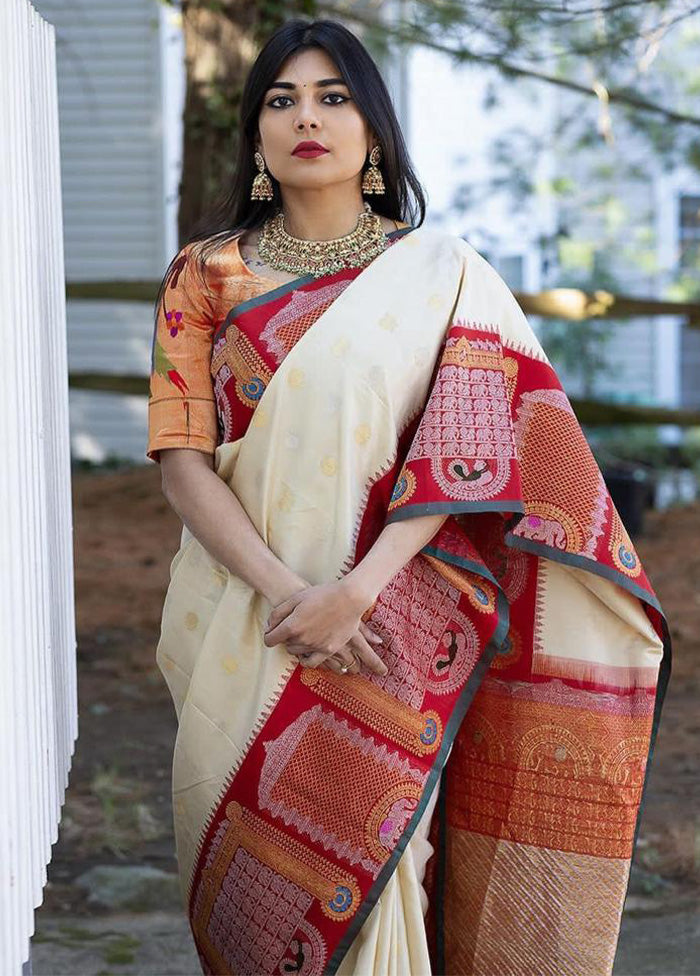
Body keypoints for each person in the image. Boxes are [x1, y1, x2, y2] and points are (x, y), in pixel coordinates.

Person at [146, 17, 670, 976]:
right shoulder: (204, 275)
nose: (308, 118)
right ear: (257, 135)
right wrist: (289, 594)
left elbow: (466, 457)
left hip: (392, 616)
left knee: (384, 871)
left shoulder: (443, 275)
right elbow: (184, 460)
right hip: (241, 616)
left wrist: (355, 592)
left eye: (333, 98)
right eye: (282, 100)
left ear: (374, 130)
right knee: (249, 907)